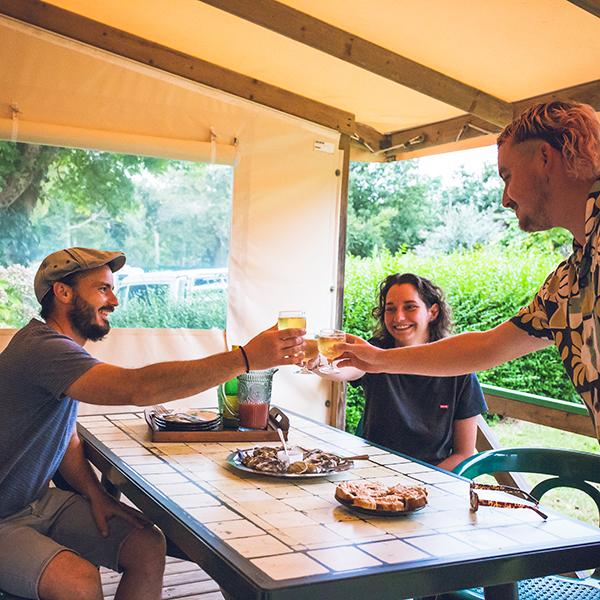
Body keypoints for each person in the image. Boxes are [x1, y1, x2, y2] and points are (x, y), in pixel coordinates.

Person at [0, 247, 305, 600]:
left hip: (36, 501)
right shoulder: (42, 348)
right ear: (63, 292)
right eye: (102, 289)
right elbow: (138, 387)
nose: (114, 300)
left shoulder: (61, 350)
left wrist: (96, 495)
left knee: (146, 543)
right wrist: (246, 358)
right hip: (4, 517)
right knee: (79, 581)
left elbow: (64, 437)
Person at [336, 100, 600, 441]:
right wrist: (377, 359)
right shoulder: (567, 283)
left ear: (545, 159)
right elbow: (486, 347)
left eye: (507, 176)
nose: (505, 199)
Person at [315, 273, 486, 470]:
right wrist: (317, 362)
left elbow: (463, 453)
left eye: (410, 307)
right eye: (390, 309)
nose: (398, 317)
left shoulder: (458, 369)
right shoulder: (376, 352)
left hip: (431, 481)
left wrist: (422, 483)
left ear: (433, 312)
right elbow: (345, 369)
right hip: (372, 473)